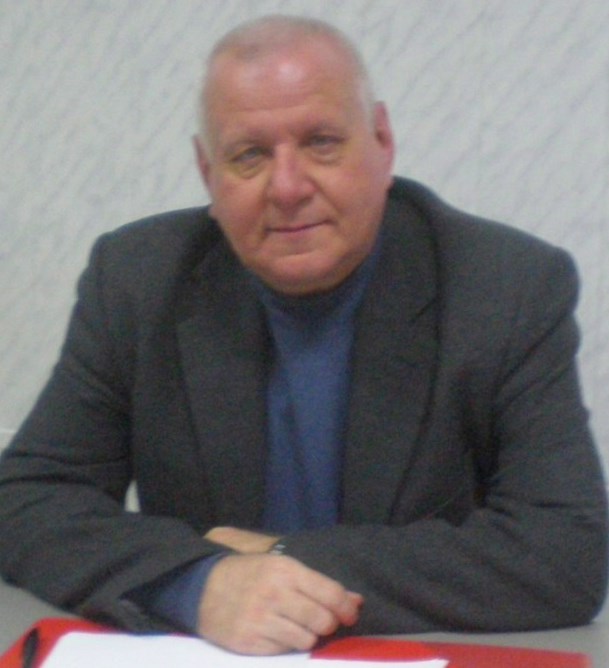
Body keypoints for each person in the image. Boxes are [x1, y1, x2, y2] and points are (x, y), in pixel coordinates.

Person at [0, 14, 607, 657]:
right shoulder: (138, 280)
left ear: (382, 143)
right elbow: (27, 499)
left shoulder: (505, 287)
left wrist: (281, 561)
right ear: (208, 173)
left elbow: (567, 551)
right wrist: (195, 582)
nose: (287, 188)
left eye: (320, 143)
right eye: (250, 155)